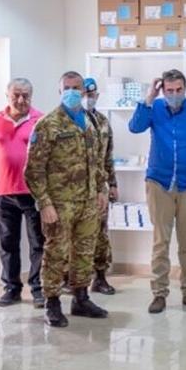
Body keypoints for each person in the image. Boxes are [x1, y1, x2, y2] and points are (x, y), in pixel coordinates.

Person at [25, 71, 109, 327]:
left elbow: (96, 161)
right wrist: (44, 203)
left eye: (76, 87)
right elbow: (33, 170)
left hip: (88, 201)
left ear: (84, 90)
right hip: (60, 204)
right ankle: (51, 302)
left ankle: (81, 298)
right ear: (59, 91)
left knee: (85, 250)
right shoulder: (48, 124)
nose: (72, 91)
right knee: (56, 253)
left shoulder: (90, 122)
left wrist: (101, 189)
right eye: (67, 87)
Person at [129, 69, 186, 314]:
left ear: (185, 89)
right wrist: (148, 98)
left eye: (179, 90)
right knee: (160, 242)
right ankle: (159, 293)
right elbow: (135, 127)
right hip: (159, 183)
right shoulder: (154, 107)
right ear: (162, 90)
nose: (174, 95)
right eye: (169, 91)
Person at [0, 78, 45, 308]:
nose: (21, 100)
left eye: (26, 96)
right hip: (3, 192)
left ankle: (38, 288)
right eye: (16, 95)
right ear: (7, 96)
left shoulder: (41, 120)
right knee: (7, 243)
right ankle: (11, 288)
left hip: (33, 192)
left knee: (38, 243)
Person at [82, 78, 118, 295]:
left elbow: (108, 156)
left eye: (91, 95)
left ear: (97, 96)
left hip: (99, 188)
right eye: (84, 94)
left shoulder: (103, 122)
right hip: (76, 188)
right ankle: (71, 279)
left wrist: (112, 183)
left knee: (101, 234)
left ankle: (100, 277)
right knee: (75, 235)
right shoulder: (72, 121)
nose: (88, 98)